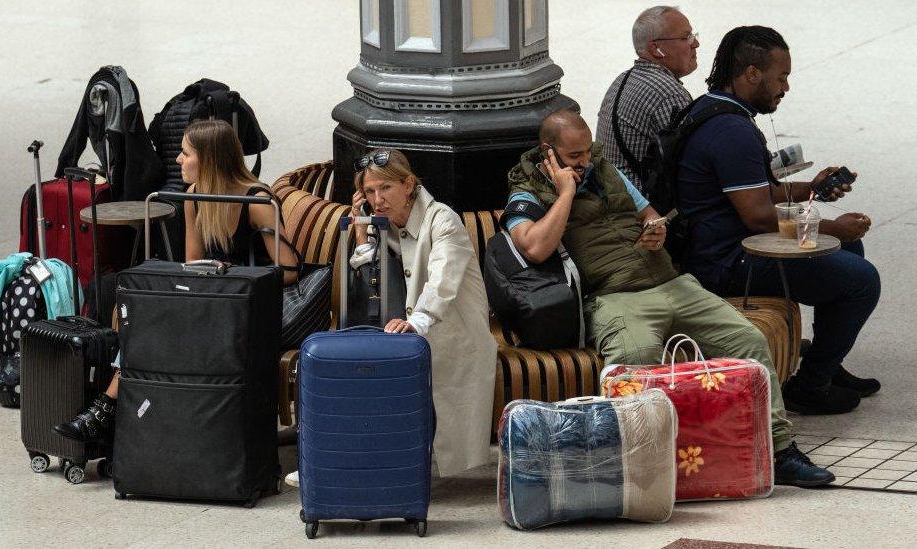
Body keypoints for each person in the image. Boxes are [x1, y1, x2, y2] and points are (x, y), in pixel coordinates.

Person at [505, 108, 834, 487]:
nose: (584, 162)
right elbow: (534, 248)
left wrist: (654, 230)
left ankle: (779, 449)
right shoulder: (526, 189)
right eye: (574, 156)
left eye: (587, 151)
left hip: (669, 281)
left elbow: (650, 213)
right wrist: (565, 193)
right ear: (548, 152)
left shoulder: (602, 168)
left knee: (748, 341)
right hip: (615, 296)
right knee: (634, 362)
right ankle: (641, 468)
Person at [674, 26, 881, 416]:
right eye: (781, 77)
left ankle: (827, 363)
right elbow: (757, 217)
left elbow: (756, 192)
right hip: (727, 262)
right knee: (861, 281)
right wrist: (834, 228)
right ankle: (811, 385)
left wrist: (811, 188)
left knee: (851, 249)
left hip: (726, 242)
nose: (784, 87)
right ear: (752, 73)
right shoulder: (731, 131)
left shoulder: (717, 109)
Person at [53, 119, 297, 442]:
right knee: (149, 318)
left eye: (185, 153)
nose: (178, 160)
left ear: (209, 159)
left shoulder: (255, 200)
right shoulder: (195, 196)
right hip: (214, 303)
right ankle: (112, 413)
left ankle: (107, 414)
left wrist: (234, 277)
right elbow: (191, 265)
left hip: (250, 307)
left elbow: (291, 269)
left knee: (157, 327)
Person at [351, 148, 496, 477]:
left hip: (451, 336)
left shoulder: (443, 219)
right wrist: (361, 229)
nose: (378, 199)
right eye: (370, 191)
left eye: (385, 188)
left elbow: (443, 282)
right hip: (402, 335)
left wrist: (415, 323)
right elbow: (369, 280)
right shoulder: (380, 224)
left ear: (409, 184)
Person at [596, 5, 698, 190]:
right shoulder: (668, 93)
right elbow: (695, 165)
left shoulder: (624, 79)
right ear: (656, 49)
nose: (696, 44)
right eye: (686, 37)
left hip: (613, 198)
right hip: (644, 209)